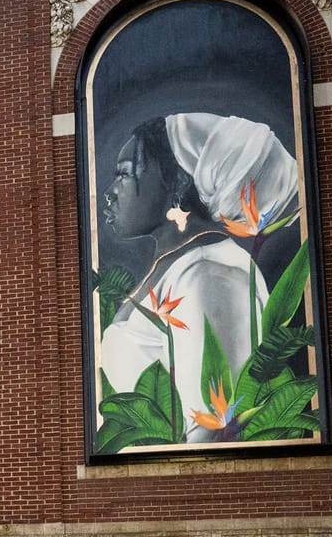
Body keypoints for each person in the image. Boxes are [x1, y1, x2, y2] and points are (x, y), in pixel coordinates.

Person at [97, 113, 299, 441]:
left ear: (176, 184)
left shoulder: (211, 275)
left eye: (125, 174)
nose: (110, 192)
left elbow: (216, 430)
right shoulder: (179, 264)